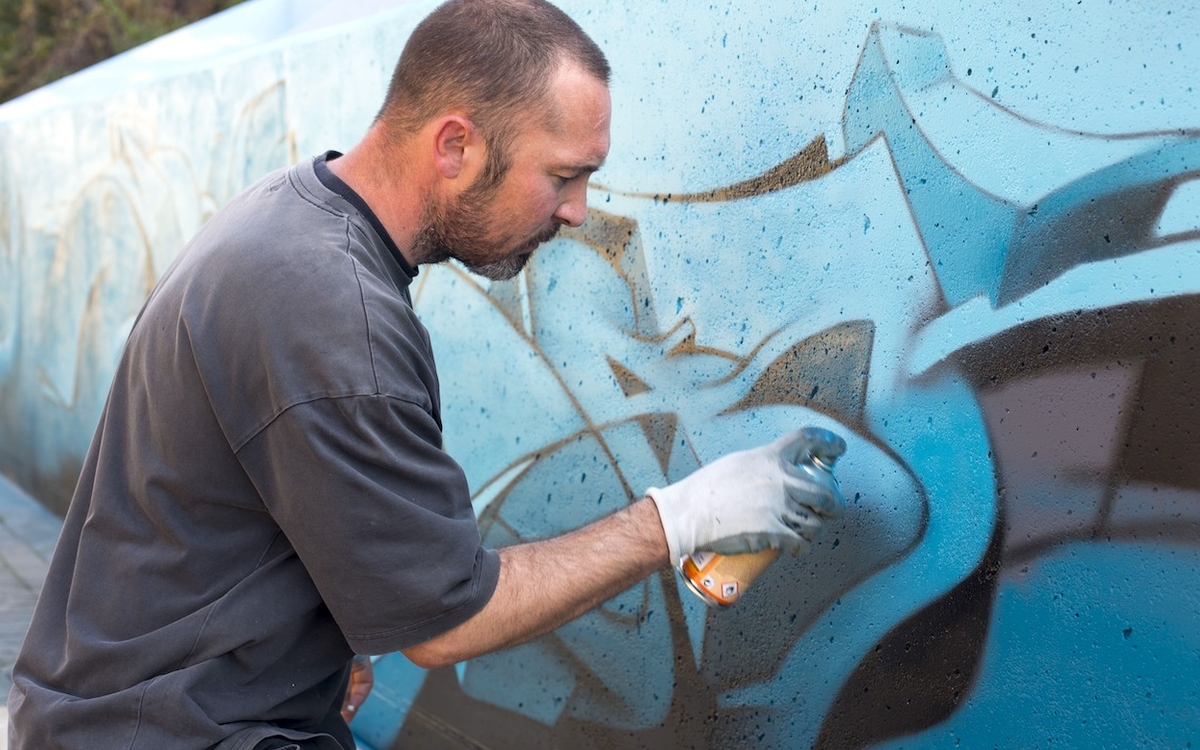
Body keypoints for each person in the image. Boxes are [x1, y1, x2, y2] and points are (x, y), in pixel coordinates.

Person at [6, 0, 847, 748]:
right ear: (455, 145)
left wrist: (307, 650)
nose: (578, 211)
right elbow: (449, 621)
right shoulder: (335, 313)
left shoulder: (292, 218)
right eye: (563, 175)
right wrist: (679, 517)